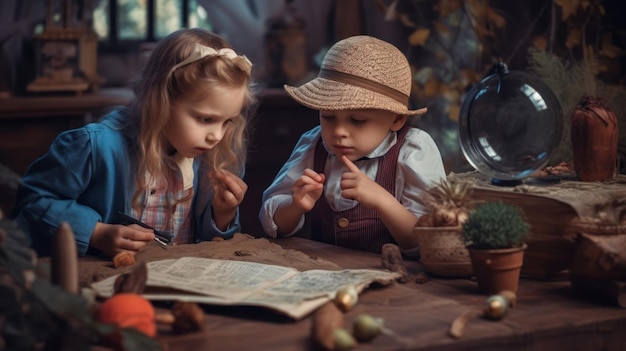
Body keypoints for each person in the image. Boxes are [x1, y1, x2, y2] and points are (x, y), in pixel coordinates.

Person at [12, 28, 257, 257]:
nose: (217, 135)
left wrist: (222, 214)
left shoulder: (216, 158)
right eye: (206, 119)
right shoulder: (95, 146)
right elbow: (33, 199)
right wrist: (97, 233)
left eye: (227, 122)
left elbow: (209, 244)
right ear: (161, 101)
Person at [259, 35, 446, 254]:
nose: (338, 132)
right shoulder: (314, 144)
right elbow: (274, 224)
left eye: (357, 120)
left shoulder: (412, 150)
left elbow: (427, 241)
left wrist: (382, 201)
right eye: (328, 117)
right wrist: (295, 206)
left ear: (396, 119)